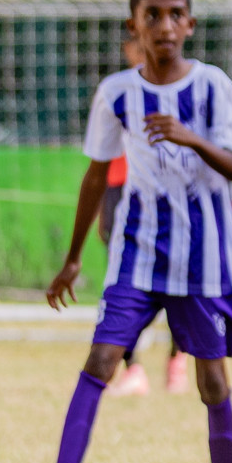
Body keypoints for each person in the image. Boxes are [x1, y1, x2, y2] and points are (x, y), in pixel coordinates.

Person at [16, 0, 232, 463]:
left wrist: (189, 136)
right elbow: (96, 178)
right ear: (135, 24)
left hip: (203, 261)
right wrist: (73, 257)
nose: (165, 26)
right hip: (136, 255)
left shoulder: (213, 85)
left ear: (190, 24)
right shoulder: (117, 93)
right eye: (153, 15)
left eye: (175, 14)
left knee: (212, 381)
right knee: (100, 361)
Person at [100, 35, 192, 397]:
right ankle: (133, 367)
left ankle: (177, 360)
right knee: (122, 284)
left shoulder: (181, 91)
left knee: (177, 281)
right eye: (132, 46)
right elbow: (101, 156)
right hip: (118, 191)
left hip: (164, 194)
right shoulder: (118, 93)